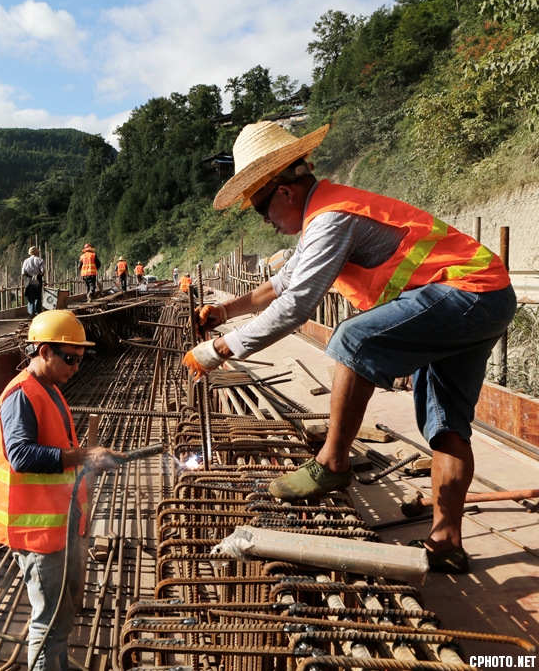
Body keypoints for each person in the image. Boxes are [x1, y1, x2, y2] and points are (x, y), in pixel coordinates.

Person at [183, 120, 516, 574]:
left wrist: (218, 350)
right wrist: (226, 312)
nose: (263, 218)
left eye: (261, 206)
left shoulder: (332, 218)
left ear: (283, 190)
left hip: (467, 295)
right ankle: (448, 542)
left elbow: (298, 304)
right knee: (446, 427)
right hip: (481, 296)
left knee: (353, 338)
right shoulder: (324, 216)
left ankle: (332, 462)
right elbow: (283, 283)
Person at [0, 310, 128, 671]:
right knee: (49, 624)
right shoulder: (22, 395)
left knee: (62, 616)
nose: (76, 366)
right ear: (44, 351)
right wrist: (84, 455)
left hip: (60, 525)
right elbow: (22, 455)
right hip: (37, 534)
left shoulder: (49, 389)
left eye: (80, 358)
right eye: (69, 358)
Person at [22, 245, 46, 317]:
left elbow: (23, 272)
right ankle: (37, 312)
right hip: (38, 280)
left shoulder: (26, 261)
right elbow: (43, 270)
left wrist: (30, 276)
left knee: (31, 297)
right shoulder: (40, 260)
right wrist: (40, 275)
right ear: (37, 253)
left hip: (29, 281)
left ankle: (31, 313)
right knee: (38, 297)